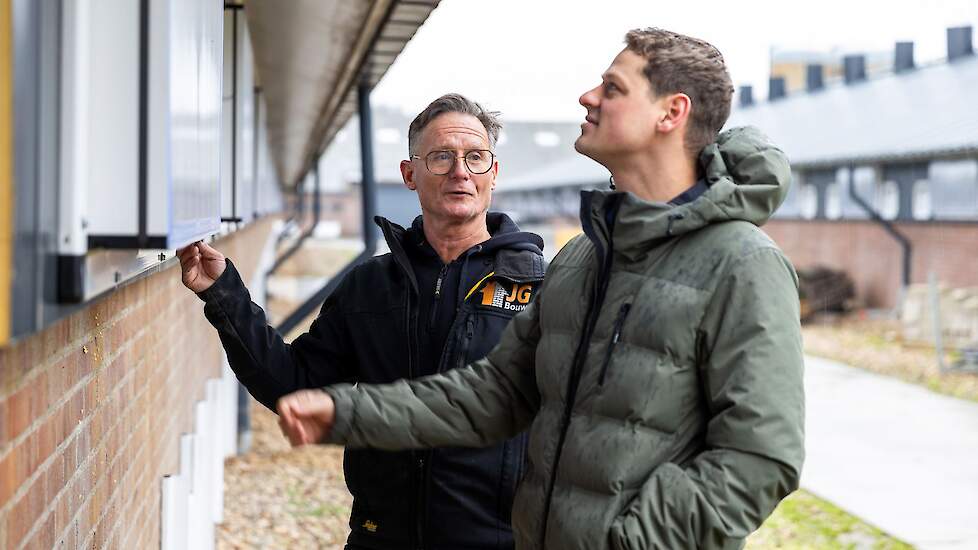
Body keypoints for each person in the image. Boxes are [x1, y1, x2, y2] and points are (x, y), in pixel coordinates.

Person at [277, 28, 805, 550]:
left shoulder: (743, 264)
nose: (588, 97)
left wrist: (625, 541)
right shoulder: (583, 258)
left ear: (672, 113)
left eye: (613, 89)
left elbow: (759, 461)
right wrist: (348, 412)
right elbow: (498, 392)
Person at [177, 93, 546, 550]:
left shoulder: (539, 290)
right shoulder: (370, 287)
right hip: (381, 537)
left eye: (475, 157)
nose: (459, 172)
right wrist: (224, 294)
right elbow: (295, 385)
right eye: (441, 157)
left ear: (494, 173)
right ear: (409, 175)